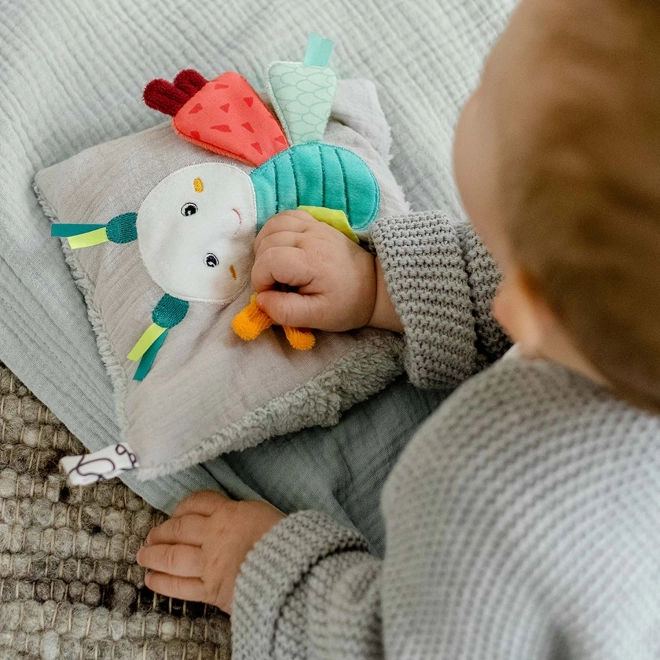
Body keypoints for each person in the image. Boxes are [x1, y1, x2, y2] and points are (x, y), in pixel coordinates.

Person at [135, 0, 660, 657]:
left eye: (487, 92)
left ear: (532, 299)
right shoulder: (622, 308)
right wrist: (381, 288)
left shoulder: (490, 497)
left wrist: (260, 572)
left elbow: (396, 647)